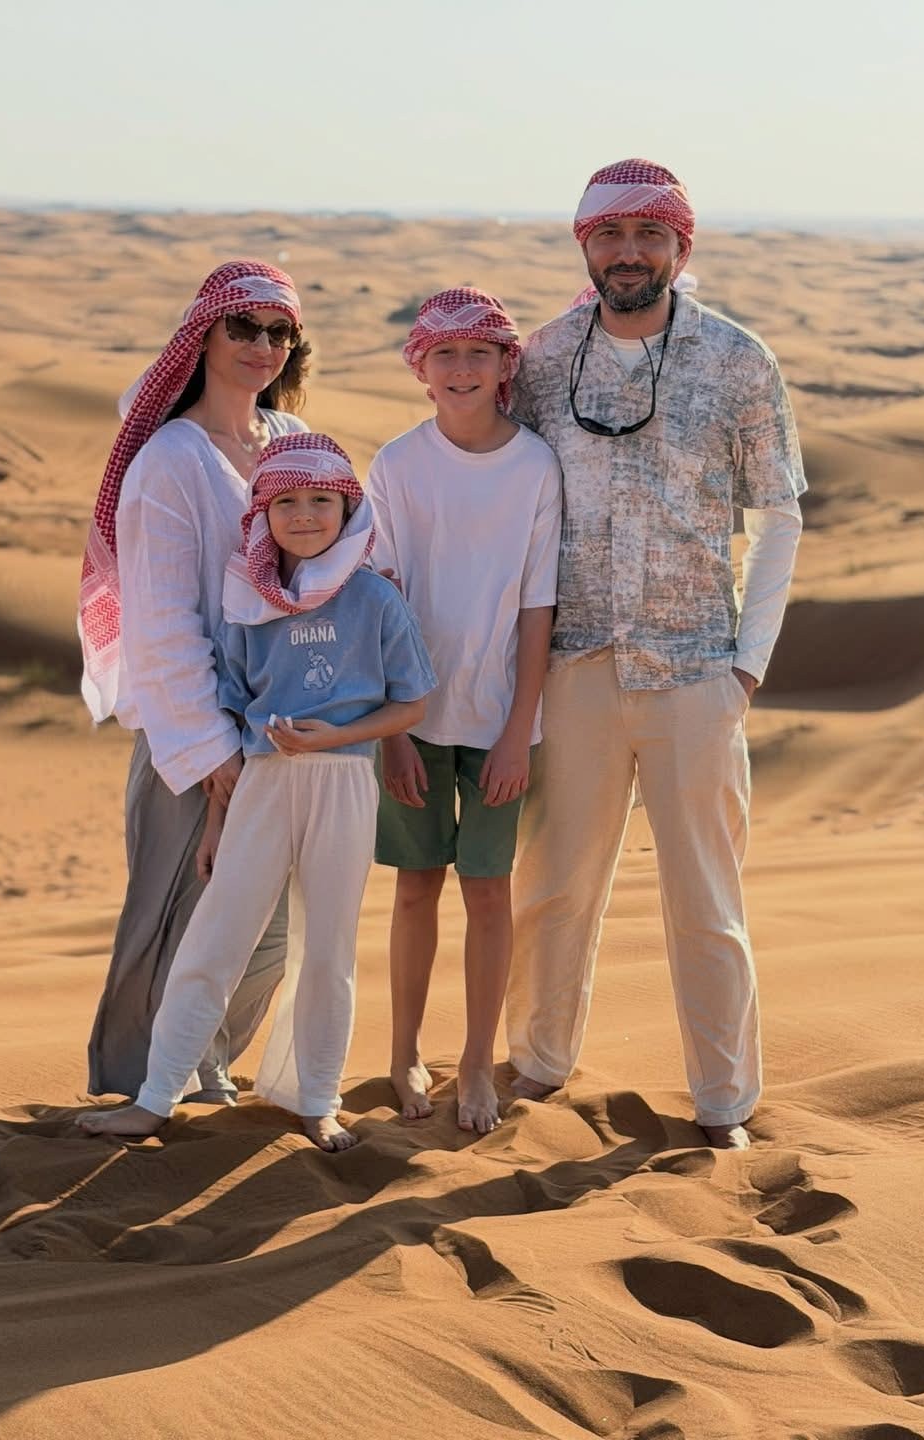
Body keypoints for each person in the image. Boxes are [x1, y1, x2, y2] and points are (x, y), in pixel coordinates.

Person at [507, 159, 806, 1150]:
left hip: (694, 673)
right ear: (583, 245)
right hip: (574, 672)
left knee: (706, 902)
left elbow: (779, 514)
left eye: (649, 235)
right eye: (609, 235)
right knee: (552, 888)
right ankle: (539, 1067)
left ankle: (723, 1102)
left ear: (682, 245)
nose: (628, 253)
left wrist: (745, 663)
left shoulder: (738, 360)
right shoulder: (540, 361)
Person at [78, 432, 436, 1150]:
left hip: (342, 785)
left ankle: (318, 1099)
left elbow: (413, 706)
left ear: (347, 508)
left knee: (329, 949)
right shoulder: (246, 601)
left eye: (321, 501)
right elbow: (238, 714)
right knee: (215, 940)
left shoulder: (375, 598)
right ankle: (155, 1096)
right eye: (287, 502)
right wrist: (216, 824)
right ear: (262, 513)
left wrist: (327, 739)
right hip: (262, 785)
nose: (305, 516)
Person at [78, 260, 310, 1104]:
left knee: (269, 936)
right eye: (242, 327)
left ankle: (203, 1060)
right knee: (175, 925)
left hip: (287, 733)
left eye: (278, 332)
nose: (261, 346)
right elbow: (163, 622)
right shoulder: (169, 459)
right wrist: (216, 752)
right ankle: (137, 1091)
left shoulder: (290, 444)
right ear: (203, 336)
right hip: (195, 740)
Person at [367, 288, 562, 1136]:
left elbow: (536, 610)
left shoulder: (536, 468)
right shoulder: (397, 467)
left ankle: (477, 1064)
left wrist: (518, 730)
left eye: (478, 354)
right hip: (412, 718)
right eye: (443, 355)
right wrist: (397, 732)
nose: (460, 370)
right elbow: (388, 599)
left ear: (504, 366)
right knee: (416, 889)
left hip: (504, 726)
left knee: (490, 892)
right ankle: (404, 1050)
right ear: (421, 369)